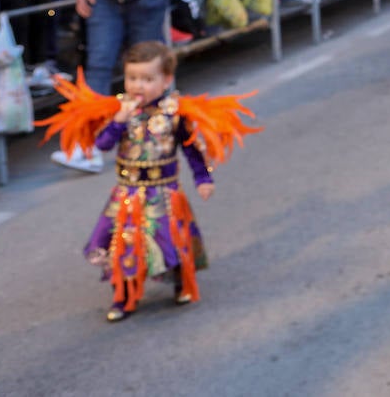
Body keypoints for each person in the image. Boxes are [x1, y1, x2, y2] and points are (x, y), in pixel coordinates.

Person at [38, 41, 258, 322]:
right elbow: (103, 145)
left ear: (166, 79)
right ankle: (124, 296)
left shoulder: (175, 112)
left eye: (147, 79)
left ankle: (182, 282)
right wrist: (118, 120)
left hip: (164, 195)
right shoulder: (121, 110)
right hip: (126, 195)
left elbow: (191, 149)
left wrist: (203, 178)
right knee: (123, 246)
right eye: (132, 78)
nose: (138, 86)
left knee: (171, 242)